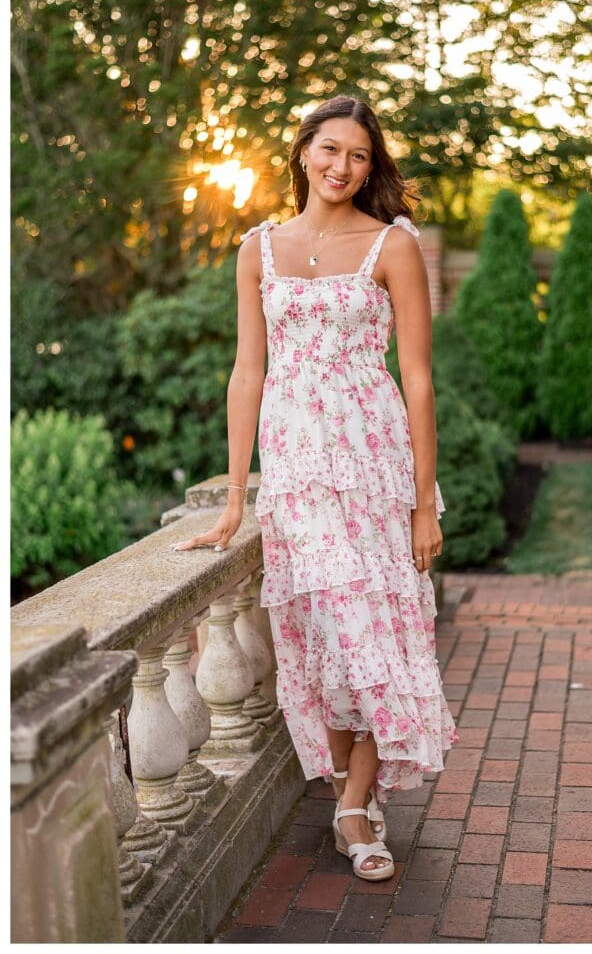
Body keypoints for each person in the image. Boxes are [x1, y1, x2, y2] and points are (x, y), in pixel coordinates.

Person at [172, 94, 458, 881]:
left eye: (359, 156)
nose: (342, 166)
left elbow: (418, 379)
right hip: (296, 474)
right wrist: (237, 496)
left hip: (374, 469)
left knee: (378, 637)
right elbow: (247, 373)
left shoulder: (392, 245)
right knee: (322, 639)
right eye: (330, 149)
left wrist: (421, 503)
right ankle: (348, 795)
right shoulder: (257, 248)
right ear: (302, 151)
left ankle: (353, 807)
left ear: (370, 168)